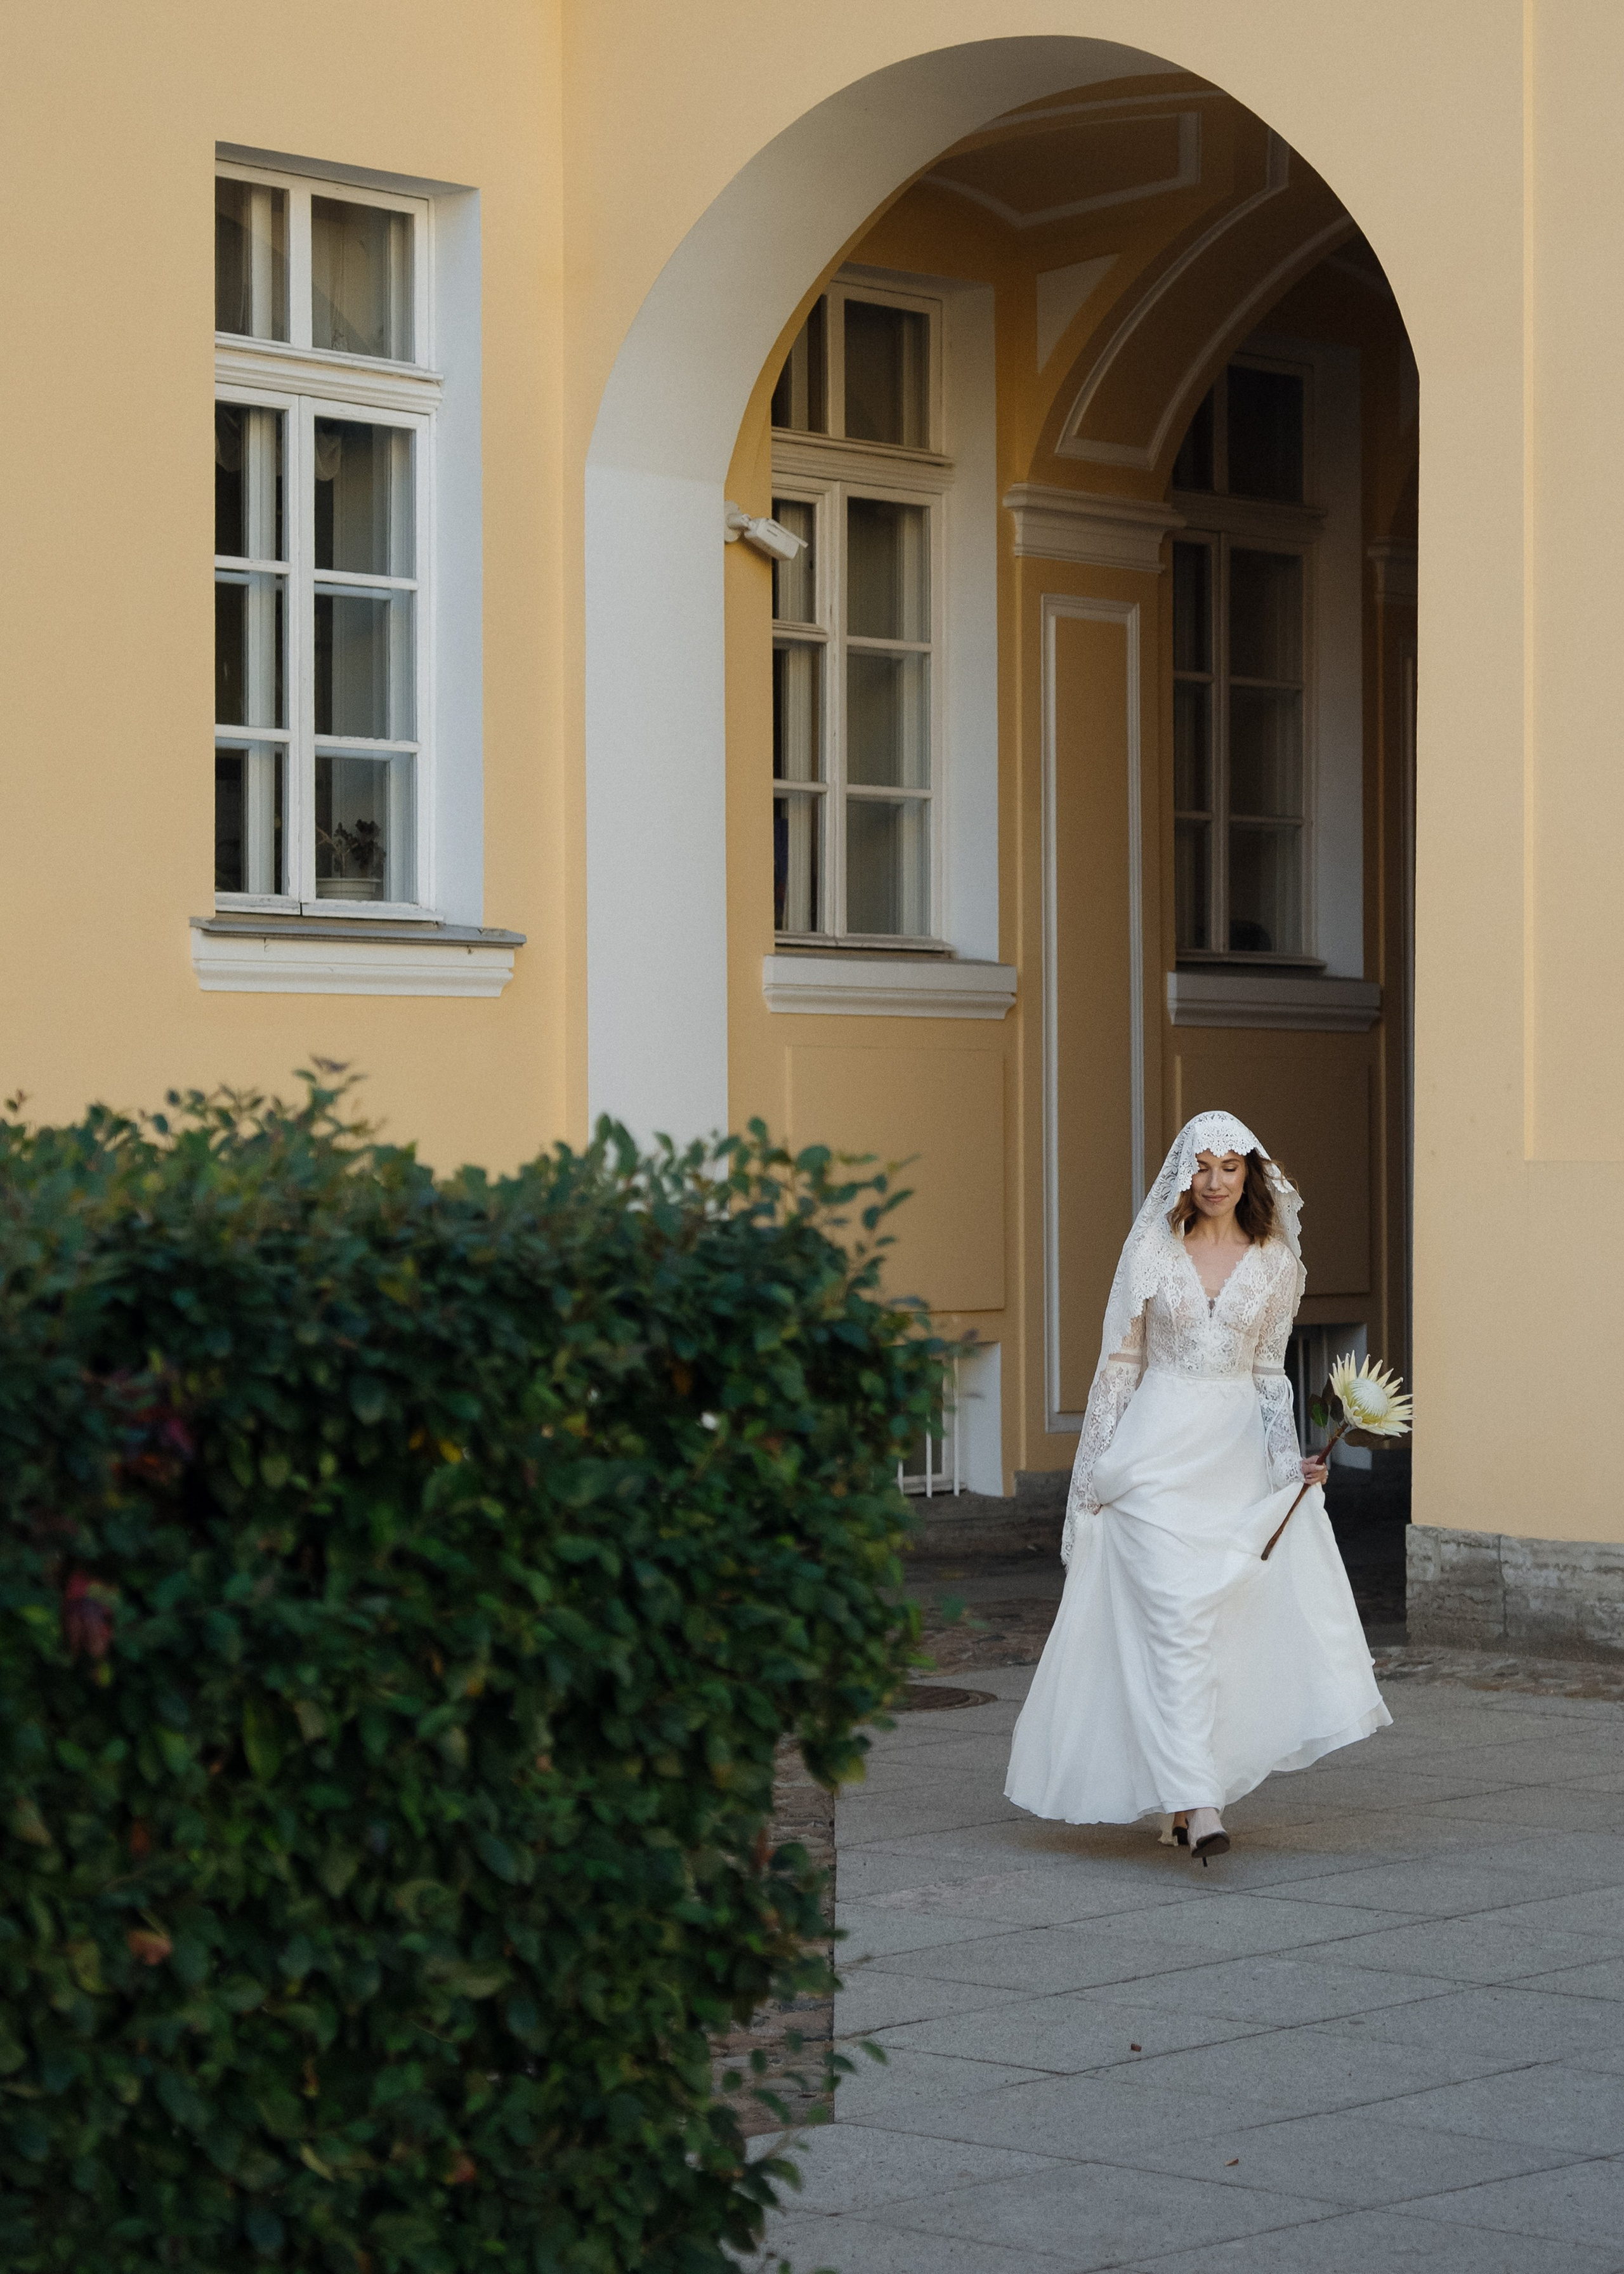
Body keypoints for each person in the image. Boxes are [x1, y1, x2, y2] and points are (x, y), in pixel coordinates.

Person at [1004, 1110, 1389, 1861]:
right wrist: (1088, 1482)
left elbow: (1269, 1375)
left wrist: (1291, 1470)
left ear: (1250, 1174)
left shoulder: (1276, 1262)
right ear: (1184, 1171)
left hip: (1234, 1458)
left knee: (1211, 1630)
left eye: (1230, 1166)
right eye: (1203, 1165)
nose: (1215, 1181)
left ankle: (1186, 1799)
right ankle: (1200, 1802)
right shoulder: (1152, 1249)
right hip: (1153, 1453)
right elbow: (1118, 1370)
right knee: (1175, 1615)